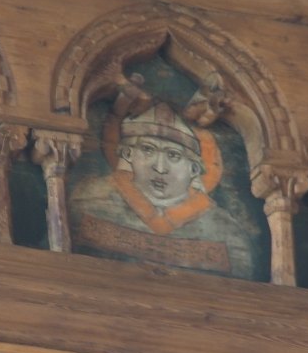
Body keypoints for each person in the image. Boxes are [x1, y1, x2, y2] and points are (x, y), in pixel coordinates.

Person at [68, 103, 256, 278]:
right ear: (128, 154)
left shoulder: (227, 234)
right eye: (147, 150)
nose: (159, 168)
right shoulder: (90, 205)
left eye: (173, 155)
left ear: (194, 169)